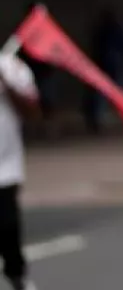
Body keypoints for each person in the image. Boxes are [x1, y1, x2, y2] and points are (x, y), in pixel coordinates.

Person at [0, 42, 39, 290]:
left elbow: (33, 111)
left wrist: (6, 84)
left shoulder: (12, 67)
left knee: (7, 226)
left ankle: (17, 275)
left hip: (5, 167)